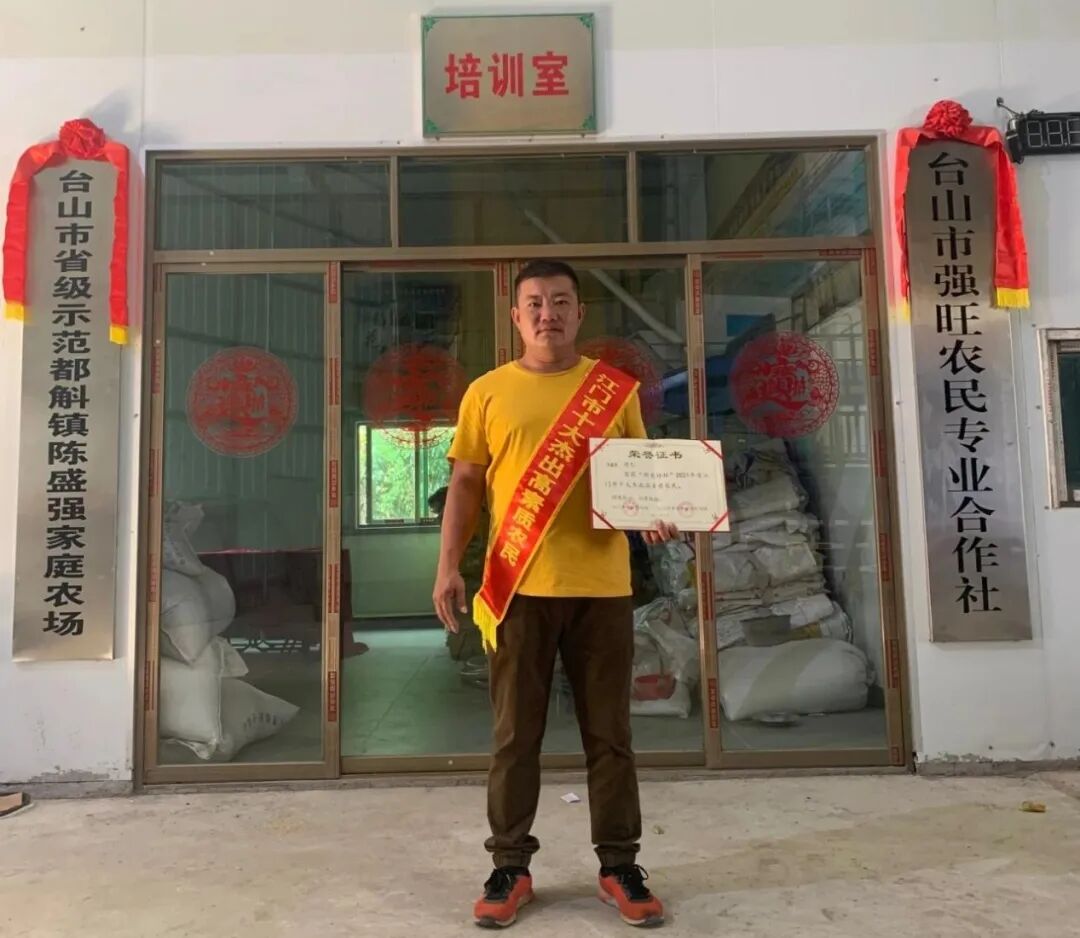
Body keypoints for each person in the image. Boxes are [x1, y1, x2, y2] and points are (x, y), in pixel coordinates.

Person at [433, 259, 678, 929]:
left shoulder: (614, 392)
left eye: (561, 301)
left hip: (603, 589)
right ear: (516, 316)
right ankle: (510, 866)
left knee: (612, 737)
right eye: (536, 303)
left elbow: (638, 477)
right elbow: (465, 486)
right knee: (515, 738)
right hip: (519, 592)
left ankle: (619, 866)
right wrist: (448, 566)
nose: (549, 314)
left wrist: (656, 515)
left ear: (579, 313)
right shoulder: (487, 393)